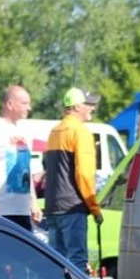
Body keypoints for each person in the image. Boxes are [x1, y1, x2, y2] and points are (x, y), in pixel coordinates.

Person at [43, 87, 102, 269]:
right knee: (77, 261)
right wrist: (94, 208)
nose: (92, 107)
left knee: (56, 264)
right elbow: (84, 175)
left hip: (53, 208)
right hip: (73, 209)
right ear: (77, 107)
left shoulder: (54, 131)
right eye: (89, 104)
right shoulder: (80, 132)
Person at [0, 85, 41, 231]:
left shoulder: (24, 131)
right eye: (24, 103)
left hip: (21, 210)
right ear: (10, 104)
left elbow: (26, 170)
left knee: (23, 252)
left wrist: (33, 202)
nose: (29, 108)